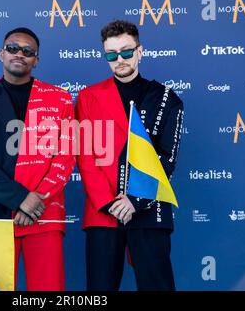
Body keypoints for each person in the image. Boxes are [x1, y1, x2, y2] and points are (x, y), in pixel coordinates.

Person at [0, 27, 75, 291]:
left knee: (48, 289)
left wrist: (37, 200)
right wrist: (20, 199)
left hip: (44, 211)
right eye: (13, 48)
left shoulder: (59, 99)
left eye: (28, 51)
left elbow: (66, 155)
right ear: (1, 54)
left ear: (36, 60)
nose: (19, 54)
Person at [75, 20, 184, 291]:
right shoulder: (88, 97)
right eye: (111, 54)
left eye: (126, 51)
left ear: (140, 51)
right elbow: (85, 157)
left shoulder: (167, 99)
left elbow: (167, 157)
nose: (119, 60)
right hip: (104, 210)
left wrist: (135, 200)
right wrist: (110, 203)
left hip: (150, 208)